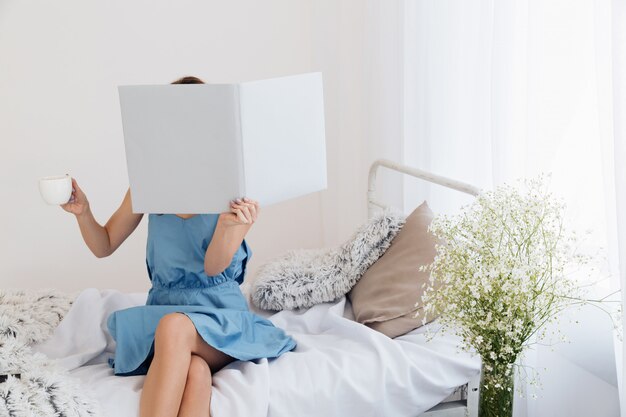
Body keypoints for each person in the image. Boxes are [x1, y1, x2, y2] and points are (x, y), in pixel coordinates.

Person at [61, 75, 297, 417]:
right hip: (166, 314)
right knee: (196, 371)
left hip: (219, 317)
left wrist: (233, 227)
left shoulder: (229, 186)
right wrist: (83, 213)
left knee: (175, 327)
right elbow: (105, 244)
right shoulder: (148, 183)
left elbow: (215, 266)